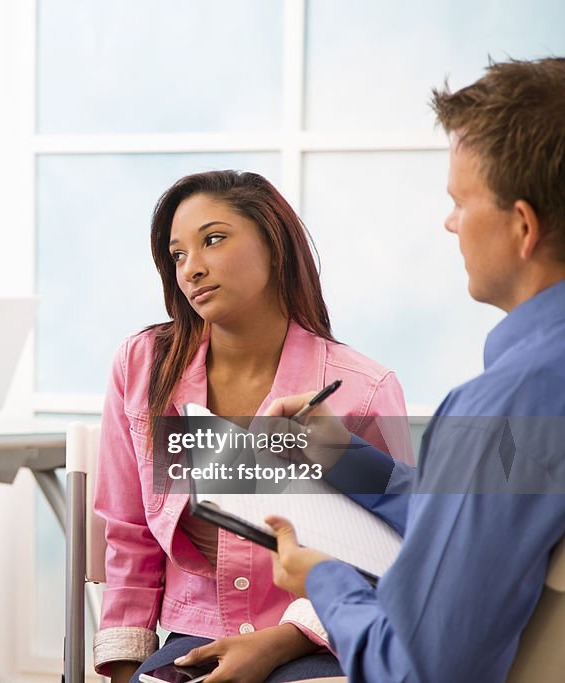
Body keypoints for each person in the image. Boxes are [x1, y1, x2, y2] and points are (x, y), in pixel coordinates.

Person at [263, 57, 565, 683]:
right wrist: (342, 456)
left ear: (524, 227)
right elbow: (485, 507)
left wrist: (323, 579)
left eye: (460, 201)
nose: (449, 222)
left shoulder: (503, 406)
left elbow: (416, 670)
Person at [93, 170, 415, 683]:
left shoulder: (364, 388)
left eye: (213, 240)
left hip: (318, 638)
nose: (191, 269)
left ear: (273, 244)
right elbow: (131, 533)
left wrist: (283, 641)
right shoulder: (141, 366)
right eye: (178, 255)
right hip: (193, 636)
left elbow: (395, 550)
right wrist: (130, 671)